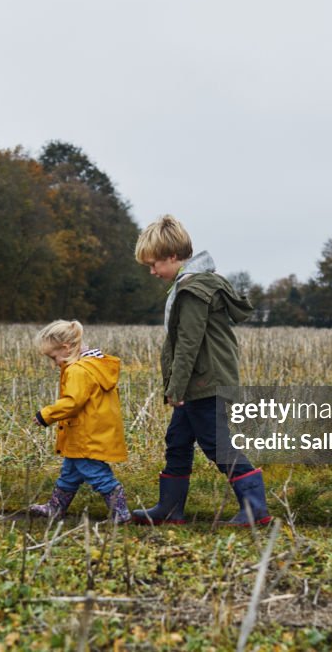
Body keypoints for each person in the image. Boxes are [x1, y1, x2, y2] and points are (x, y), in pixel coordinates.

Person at [132, 215, 270, 527]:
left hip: (206, 382)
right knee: (178, 439)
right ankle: (169, 509)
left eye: (154, 264)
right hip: (199, 382)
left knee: (216, 443)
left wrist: (175, 387)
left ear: (172, 257)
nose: (152, 272)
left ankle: (255, 508)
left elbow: (188, 344)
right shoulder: (188, 285)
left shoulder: (193, 290)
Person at [29, 320, 130, 524]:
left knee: (97, 474)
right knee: (69, 474)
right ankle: (55, 508)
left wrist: (46, 414)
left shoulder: (78, 370)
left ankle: (121, 513)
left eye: (53, 357)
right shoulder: (93, 366)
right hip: (88, 431)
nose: (54, 363)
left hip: (86, 435)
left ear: (65, 348)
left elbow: (72, 402)